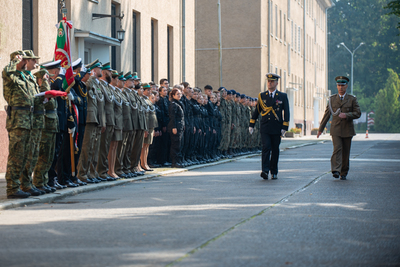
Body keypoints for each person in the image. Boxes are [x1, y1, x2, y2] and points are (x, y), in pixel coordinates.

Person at [317, 76, 361, 180]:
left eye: (343, 85)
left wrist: (347, 115)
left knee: (345, 152)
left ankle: (344, 172)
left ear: (346, 86)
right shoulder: (332, 99)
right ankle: (336, 170)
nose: (341, 87)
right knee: (337, 149)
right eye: (339, 85)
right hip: (336, 129)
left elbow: (357, 113)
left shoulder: (352, 99)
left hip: (347, 129)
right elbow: (327, 115)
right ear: (337, 86)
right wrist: (320, 129)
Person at [249, 73, 289, 180]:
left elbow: (287, 112)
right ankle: (265, 171)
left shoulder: (282, 96)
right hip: (265, 127)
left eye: (272, 81)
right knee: (266, 147)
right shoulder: (262, 96)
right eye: (268, 81)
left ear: (276, 83)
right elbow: (257, 111)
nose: (269, 83)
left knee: (275, 149)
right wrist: (251, 124)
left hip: (276, 127)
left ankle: (274, 171)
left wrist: (284, 127)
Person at [168, 87, 185, 168]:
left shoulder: (179, 103)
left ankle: (179, 160)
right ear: (173, 95)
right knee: (175, 144)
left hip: (180, 126)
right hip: (176, 127)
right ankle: (174, 162)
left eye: (180, 94)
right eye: (177, 94)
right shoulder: (173, 104)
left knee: (180, 144)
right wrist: (174, 127)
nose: (179, 95)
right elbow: (172, 117)